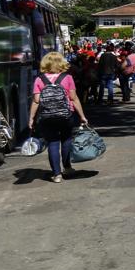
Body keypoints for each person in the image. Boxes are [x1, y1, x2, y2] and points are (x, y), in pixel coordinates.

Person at [29, 51, 90, 183]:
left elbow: (36, 101)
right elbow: (73, 98)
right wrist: (82, 116)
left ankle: (57, 174)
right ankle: (67, 168)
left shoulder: (39, 79)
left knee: (53, 142)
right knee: (67, 140)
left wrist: (31, 118)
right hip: (66, 115)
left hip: (47, 117)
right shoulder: (67, 78)